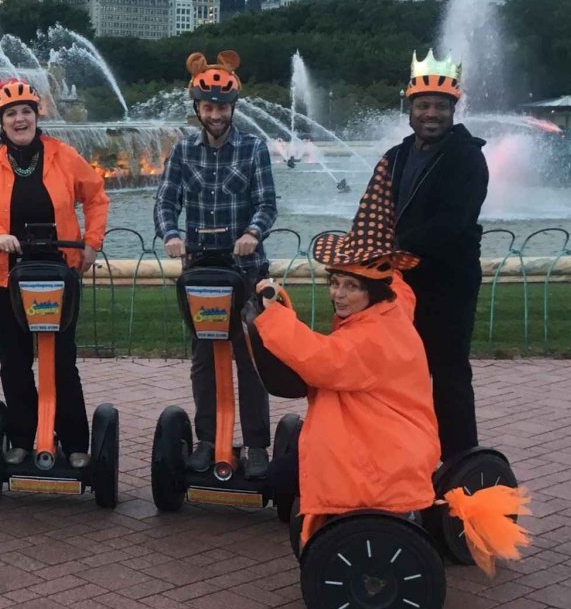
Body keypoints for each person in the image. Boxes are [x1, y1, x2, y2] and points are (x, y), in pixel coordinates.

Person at [250, 178, 527, 571]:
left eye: (351, 287)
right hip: (396, 434)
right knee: (288, 470)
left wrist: (274, 316)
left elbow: (320, 360)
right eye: (335, 282)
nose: (338, 294)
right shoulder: (394, 307)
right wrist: (383, 254)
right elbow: (399, 284)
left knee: (280, 478)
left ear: (373, 292)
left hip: (381, 451)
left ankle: (342, 532)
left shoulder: (371, 339)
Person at [0, 75, 109, 466]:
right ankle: (23, 438)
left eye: (26, 111)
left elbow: (96, 197)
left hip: (57, 275)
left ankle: (76, 441)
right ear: (2, 121)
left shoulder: (63, 156)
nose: (20, 119)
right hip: (2, 278)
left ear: (36, 115)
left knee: (61, 359)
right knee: (14, 360)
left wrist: (92, 242)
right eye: (11, 113)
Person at [154, 50, 278, 479]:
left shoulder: (253, 149)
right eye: (208, 107)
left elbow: (266, 203)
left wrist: (252, 234)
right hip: (201, 272)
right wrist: (171, 234)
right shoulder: (183, 151)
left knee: (250, 358)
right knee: (205, 357)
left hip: (245, 270)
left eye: (222, 107)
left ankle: (258, 445)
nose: (216, 114)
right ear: (198, 109)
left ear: (232, 108)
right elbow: (166, 201)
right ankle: (207, 439)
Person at [380, 50, 488, 459]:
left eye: (440, 107)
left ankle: (462, 463)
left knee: (448, 377)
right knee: (399, 376)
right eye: (423, 105)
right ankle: (408, 454)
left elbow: (454, 222)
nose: (431, 114)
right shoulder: (396, 156)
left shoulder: (467, 157)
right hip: (399, 285)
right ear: (409, 108)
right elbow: (375, 210)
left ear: (453, 110)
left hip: (447, 285)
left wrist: (395, 247)